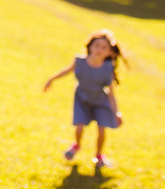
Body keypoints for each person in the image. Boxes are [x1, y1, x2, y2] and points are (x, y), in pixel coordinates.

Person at [43, 28, 127, 168]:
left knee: (101, 130)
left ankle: (99, 156)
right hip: (82, 99)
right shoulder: (80, 61)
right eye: (97, 45)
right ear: (90, 46)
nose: (99, 49)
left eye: (104, 48)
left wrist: (116, 112)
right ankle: (76, 145)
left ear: (110, 53)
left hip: (100, 101)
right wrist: (52, 79)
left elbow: (111, 93)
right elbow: (67, 70)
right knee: (79, 126)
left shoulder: (108, 68)